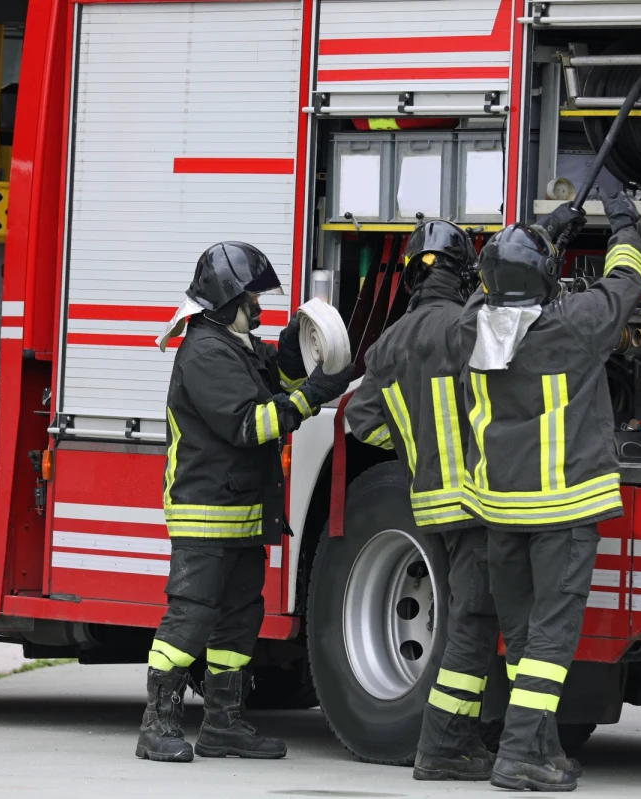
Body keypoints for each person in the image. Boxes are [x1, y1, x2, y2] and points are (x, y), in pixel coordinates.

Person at [138, 241, 354, 763]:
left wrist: (295, 348)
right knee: (190, 618)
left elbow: (275, 379)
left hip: (241, 515)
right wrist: (313, 396)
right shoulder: (206, 354)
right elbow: (250, 423)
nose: (257, 308)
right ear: (226, 299)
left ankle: (222, 724)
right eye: (252, 299)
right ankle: (157, 724)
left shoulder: (235, 345)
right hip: (205, 515)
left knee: (239, 620)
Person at [460, 194, 641, 791]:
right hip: (563, 510)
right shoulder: (575, 324)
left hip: (501, 511)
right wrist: (626, 226)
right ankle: (518, 755)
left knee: (522, 640)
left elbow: (488, 287)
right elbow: (623, 283)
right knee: (550, 640)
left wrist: (542, 233)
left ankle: (542, 747)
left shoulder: (471, 326)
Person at [344, 221, 500, 781]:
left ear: (411, 277)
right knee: (471, 620)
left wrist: (414, 446)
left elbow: (361, 422)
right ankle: (444, 746)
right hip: (476, 501)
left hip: (429, 501)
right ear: (462, 274)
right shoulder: (465, 327)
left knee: (464, 613)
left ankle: (460, 738)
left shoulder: (388, 343)